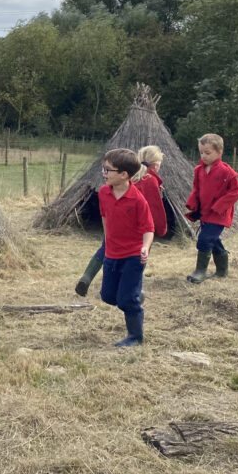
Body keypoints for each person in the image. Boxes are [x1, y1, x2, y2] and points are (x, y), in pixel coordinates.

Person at [75, 145, 168, 297]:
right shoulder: (148, 180)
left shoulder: (128, 177)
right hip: (138, 230)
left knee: (106, 247)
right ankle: (135, 290)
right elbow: (154, 207)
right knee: (138, 258)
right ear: (156, 164)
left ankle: (87, 276)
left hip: (115, 226)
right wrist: (162, 228)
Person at [98, 148, 154, 347]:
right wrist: (107, 241)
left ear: (123, 175)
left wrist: (145, 248)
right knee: (107, 296)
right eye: (103, 168)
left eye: (108, 170)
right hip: (112, 253)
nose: (104, 173)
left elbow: (149, 228)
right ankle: (136, 295)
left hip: (133, 255)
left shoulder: (138, 200)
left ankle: (135, 337)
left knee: (125, 301)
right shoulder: (103, 193)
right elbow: (105, 217)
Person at [184, 133, 238, 284]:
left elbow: (236, 191)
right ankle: (222, 271)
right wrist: (193, 204)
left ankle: (200, 271)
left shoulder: (226, 171)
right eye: (201, 152)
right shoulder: (199, 170)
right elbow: (196, 189)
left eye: (208, 153)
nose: (204, 156)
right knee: (214, 241)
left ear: (219, 152)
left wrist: (219, 206)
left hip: (218, 214)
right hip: (205, 212)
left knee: (204, 240)